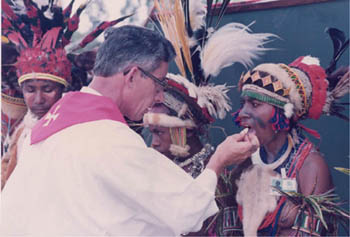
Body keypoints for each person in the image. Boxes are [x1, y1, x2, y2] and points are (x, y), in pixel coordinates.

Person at [0, 24, 259, 236]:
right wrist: (218, 162)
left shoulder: (44, 128)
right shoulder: (109, 139)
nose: (159, 94)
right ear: (133, 75)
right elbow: (186, 211)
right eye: (159, 83)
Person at [1, 0, 129, 190]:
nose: (38, 99)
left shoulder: (80, 130)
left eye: (47, 89)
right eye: (30, 89)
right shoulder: (21, 132)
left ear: (63, 88)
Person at [231, 55, 349, 236]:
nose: (243, 113)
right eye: (243, 104)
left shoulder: (310, 167)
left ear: (282, 114)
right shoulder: (244, 158)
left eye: (255, 104)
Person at [144, 72, 244, 236]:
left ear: (188, 130)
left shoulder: (217, 178)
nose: (153, 142)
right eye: (152, 133)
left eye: (159, 133)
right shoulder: (164, 168)